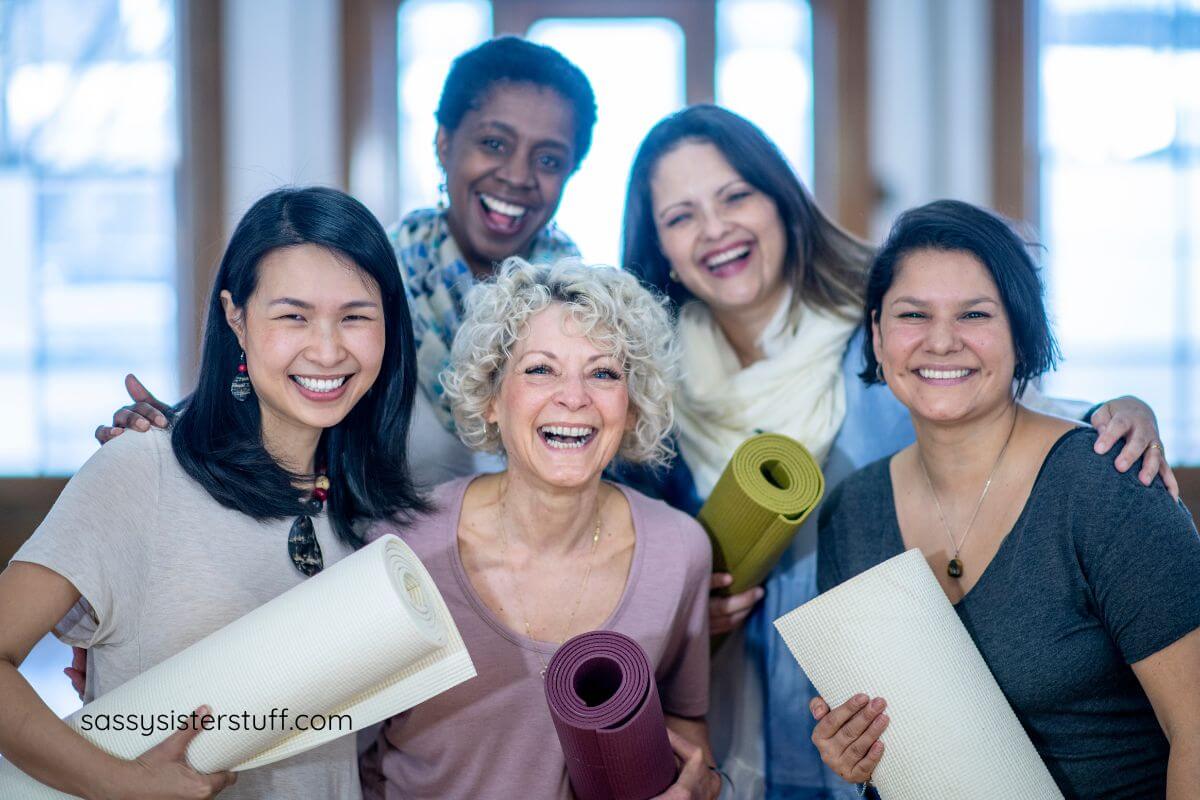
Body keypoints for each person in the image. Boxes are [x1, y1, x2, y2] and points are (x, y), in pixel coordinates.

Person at [619, 104, 1178, 798]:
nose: (715, 228)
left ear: (783, 204)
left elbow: (1003, 403)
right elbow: (624, 555)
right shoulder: (649, 387)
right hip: (744, 701)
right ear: (659, 247)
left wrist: (1118, 413)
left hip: (912, 704)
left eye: (736, 195)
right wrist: (677, 610)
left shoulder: (884, 329)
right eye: (680, 215)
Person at [0, 187, 426, 799]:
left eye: (356, 316)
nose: (329, 350)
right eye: (293, 315)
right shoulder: (141, 471)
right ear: (236, 318)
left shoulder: (375, 508)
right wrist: (122, 784)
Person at [810, 199, 1200, 798]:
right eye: (913, 314)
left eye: (974, 314)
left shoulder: (1104, 483)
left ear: (1021, 333)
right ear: (878, 337)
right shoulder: (851, 512)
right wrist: (852, 750)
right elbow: (888, 741)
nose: (942, 342)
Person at [95, 36, 597, 486]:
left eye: (548, 159)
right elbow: (270, 395)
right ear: (445, 144)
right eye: (494, 143)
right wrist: (173, 442)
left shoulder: (589, 315)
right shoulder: (363, 282)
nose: (517, 174)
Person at [357, 258, 719, 800]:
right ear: (491, 398)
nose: (574, 398)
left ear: (633, 405)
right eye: (540, 369)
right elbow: (333, 751)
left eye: (603, 373)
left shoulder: (679, 550)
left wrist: (699, 787)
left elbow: (687, 734)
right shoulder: (400, 547)